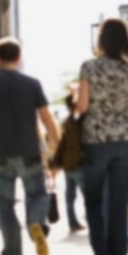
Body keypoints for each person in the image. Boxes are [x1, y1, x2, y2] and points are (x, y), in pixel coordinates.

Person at [0, 37, 59, 255]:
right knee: (37, 195)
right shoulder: (32, 84)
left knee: (5, 205)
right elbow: (46, 118)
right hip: (29, 152)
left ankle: (12, 252)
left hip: (0, 154)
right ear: (19, 58)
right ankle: (35, 222)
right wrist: (56, 147)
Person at [77, 17, 128, 255]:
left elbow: (82, 107)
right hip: (125, 141)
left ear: (101, 40)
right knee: (118, 204)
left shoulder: (89, 68)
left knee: (94, 203)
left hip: (95, 141)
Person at [52, 92, 85, 232]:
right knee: (88, 195)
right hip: (79, 163)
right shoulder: (80, 121)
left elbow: (62, 144)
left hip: (68, 163)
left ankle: (73, 223)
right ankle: (91, 219)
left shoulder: (68, 121)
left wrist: (56, 162)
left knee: (70, 196)